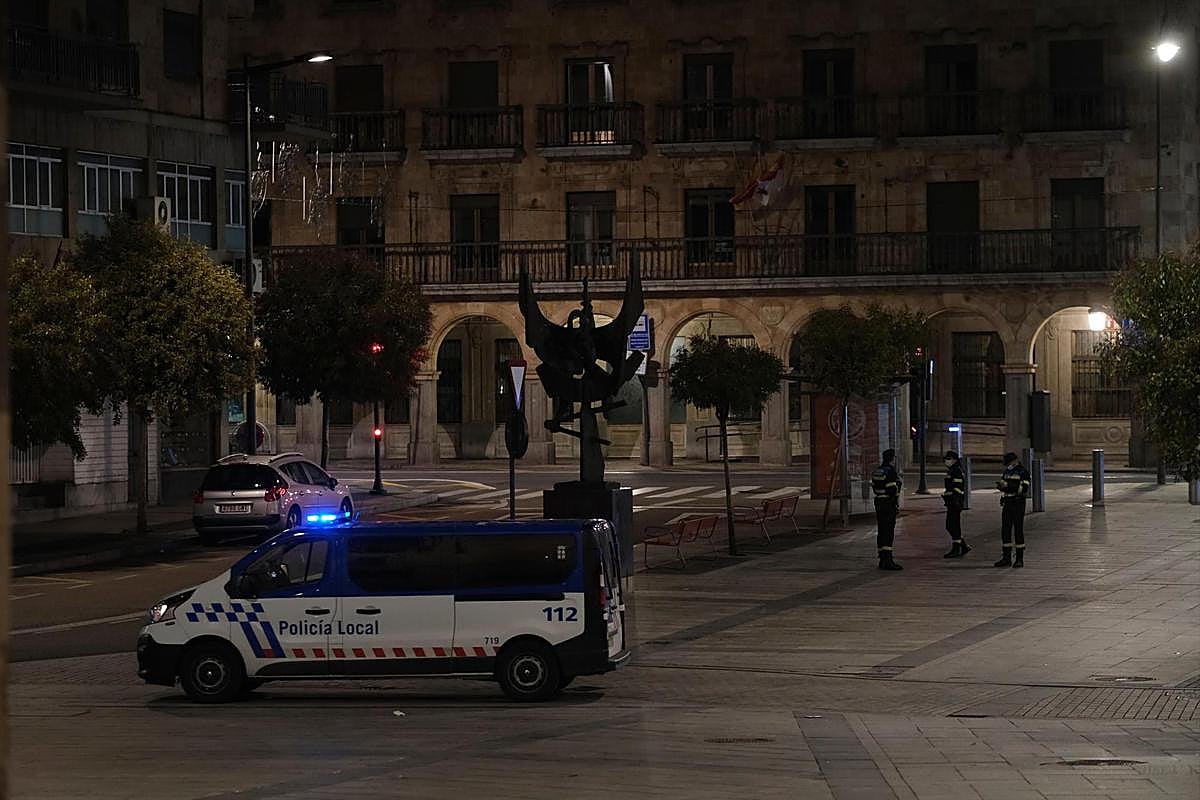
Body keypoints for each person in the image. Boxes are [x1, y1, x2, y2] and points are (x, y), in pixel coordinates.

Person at [994, 451, 1031, 568]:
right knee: (1005, 530)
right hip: (1007, 503)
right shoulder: (1007, 471)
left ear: (1015, 461)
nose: (1008, 465)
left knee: (1018, 530)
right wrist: (1001, 486)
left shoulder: (1023, 472)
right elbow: (1004, 482)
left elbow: (1023, 488)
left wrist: (1008, 487)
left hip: (1018, 503)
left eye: (1009, 462)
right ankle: (1006, 557)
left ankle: (1019, 559)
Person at [870, 449, 903, 570]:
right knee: (888, 530)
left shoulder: (877, 471)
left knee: (881, 529)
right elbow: (892, 490)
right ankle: (888, 559)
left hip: (878, 502)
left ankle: (882, 557)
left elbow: (874, 487)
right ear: (892, 458)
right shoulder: (890, 472)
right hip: (888, 504)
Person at [942, 450, 971, 558]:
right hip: (951, 502)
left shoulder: (956, 471)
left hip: (955, 502)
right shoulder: (952, 471)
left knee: (952, 524)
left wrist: (955, 499)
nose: (946, 461)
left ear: (954, 460)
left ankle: (957, 548)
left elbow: (958, 488)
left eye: (949, 459)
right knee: (952, 525)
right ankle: (962, 546)